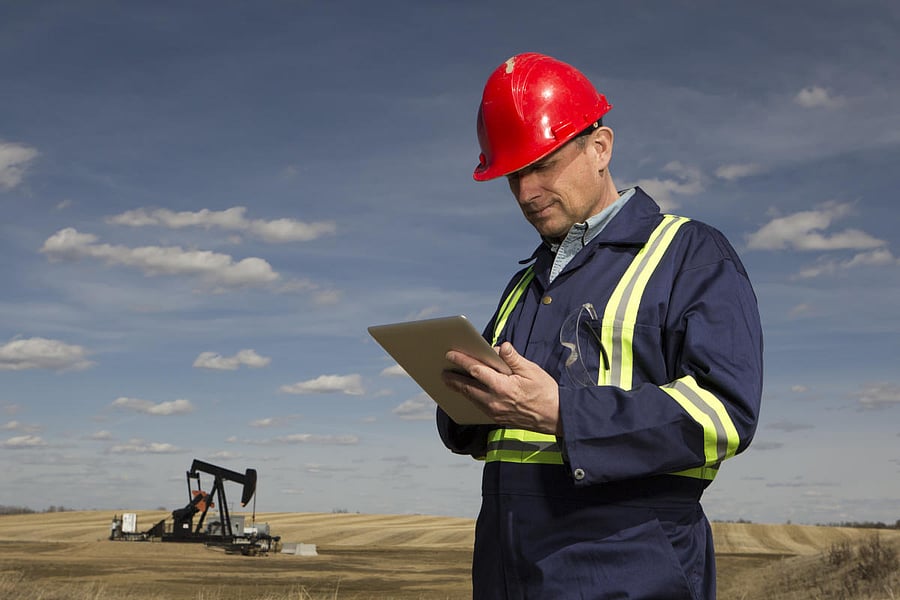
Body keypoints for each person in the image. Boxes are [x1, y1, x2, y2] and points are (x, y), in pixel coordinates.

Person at [437, 52, 763, 599]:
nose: (525, 192)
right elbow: (498, 432)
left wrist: (565, 412)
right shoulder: (524, 282)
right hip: (508, 574)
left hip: (627, 577)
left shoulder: (688, 253)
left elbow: (725, 414)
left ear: (600, 147)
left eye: (542, 165)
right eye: (514, 174)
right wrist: (464, 397)